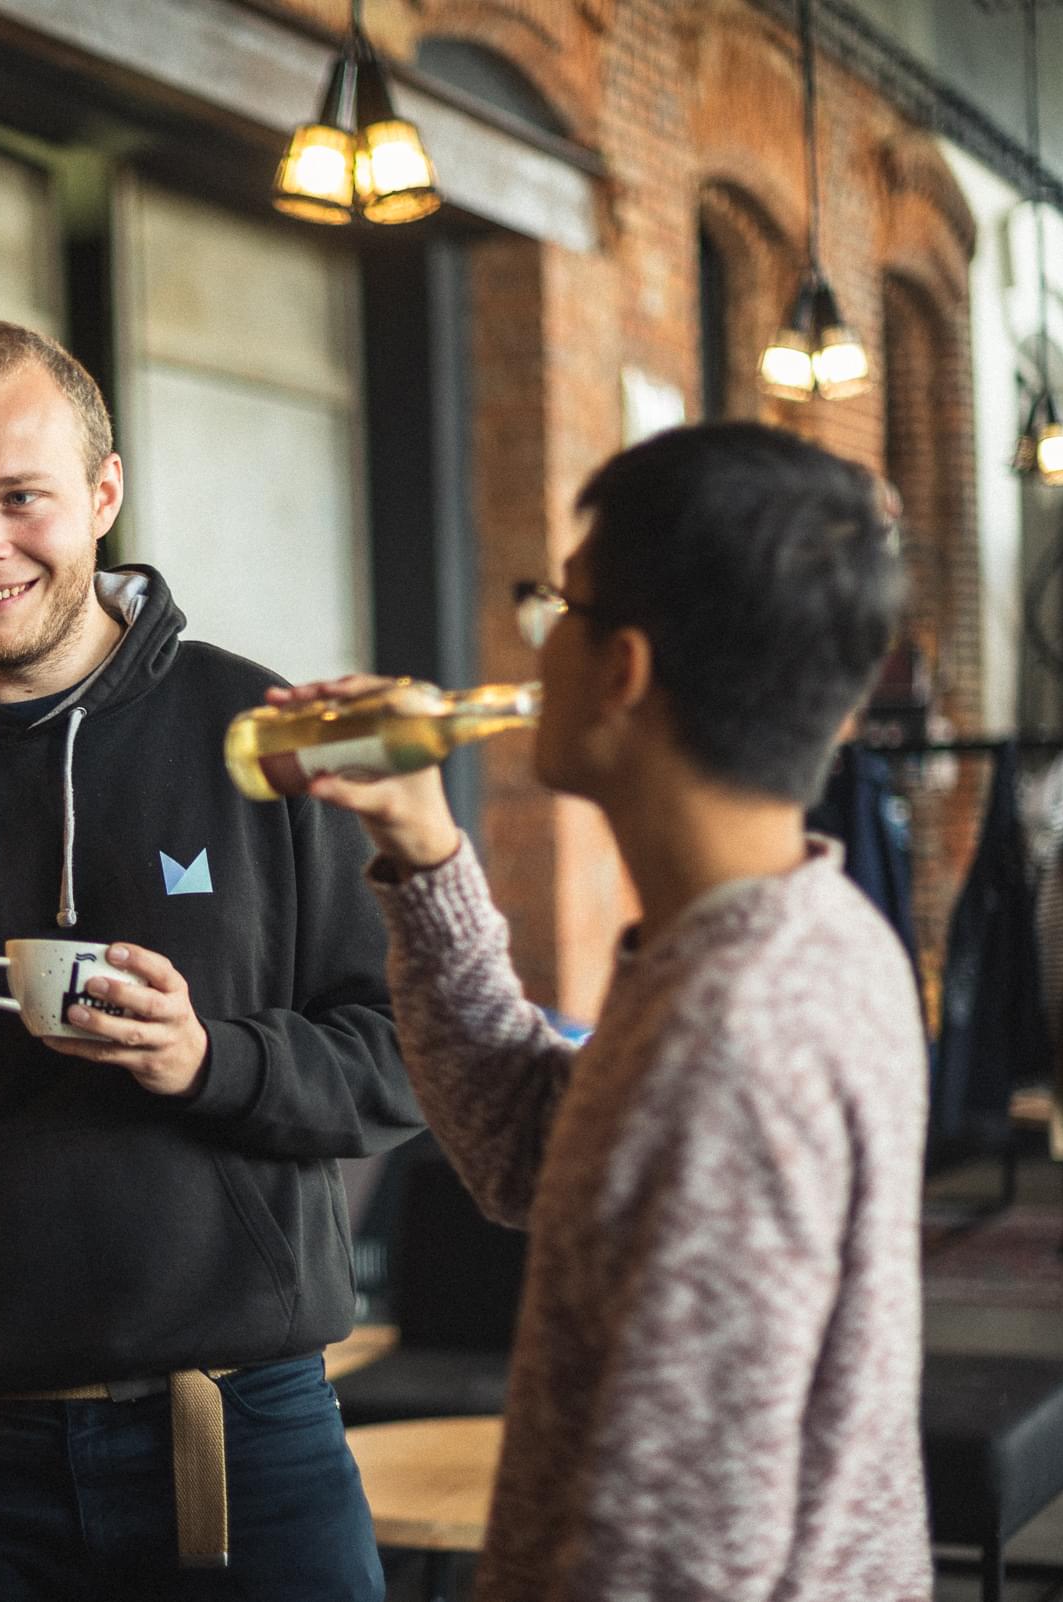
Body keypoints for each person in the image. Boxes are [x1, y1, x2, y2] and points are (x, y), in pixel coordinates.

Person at [0, 320, 421, 1600]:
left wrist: (210, 1059)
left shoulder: (260, 733)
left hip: (236, 1442)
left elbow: (400, 1055)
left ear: (105, 494)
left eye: (21, 499)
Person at [291, 422, 930, 1601]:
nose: (534, 657)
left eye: (559, 610)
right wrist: (424, 850)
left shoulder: (736, 1039)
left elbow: (674, 1555)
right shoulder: (800, 931)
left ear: (623, 671)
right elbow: (533, 1153)